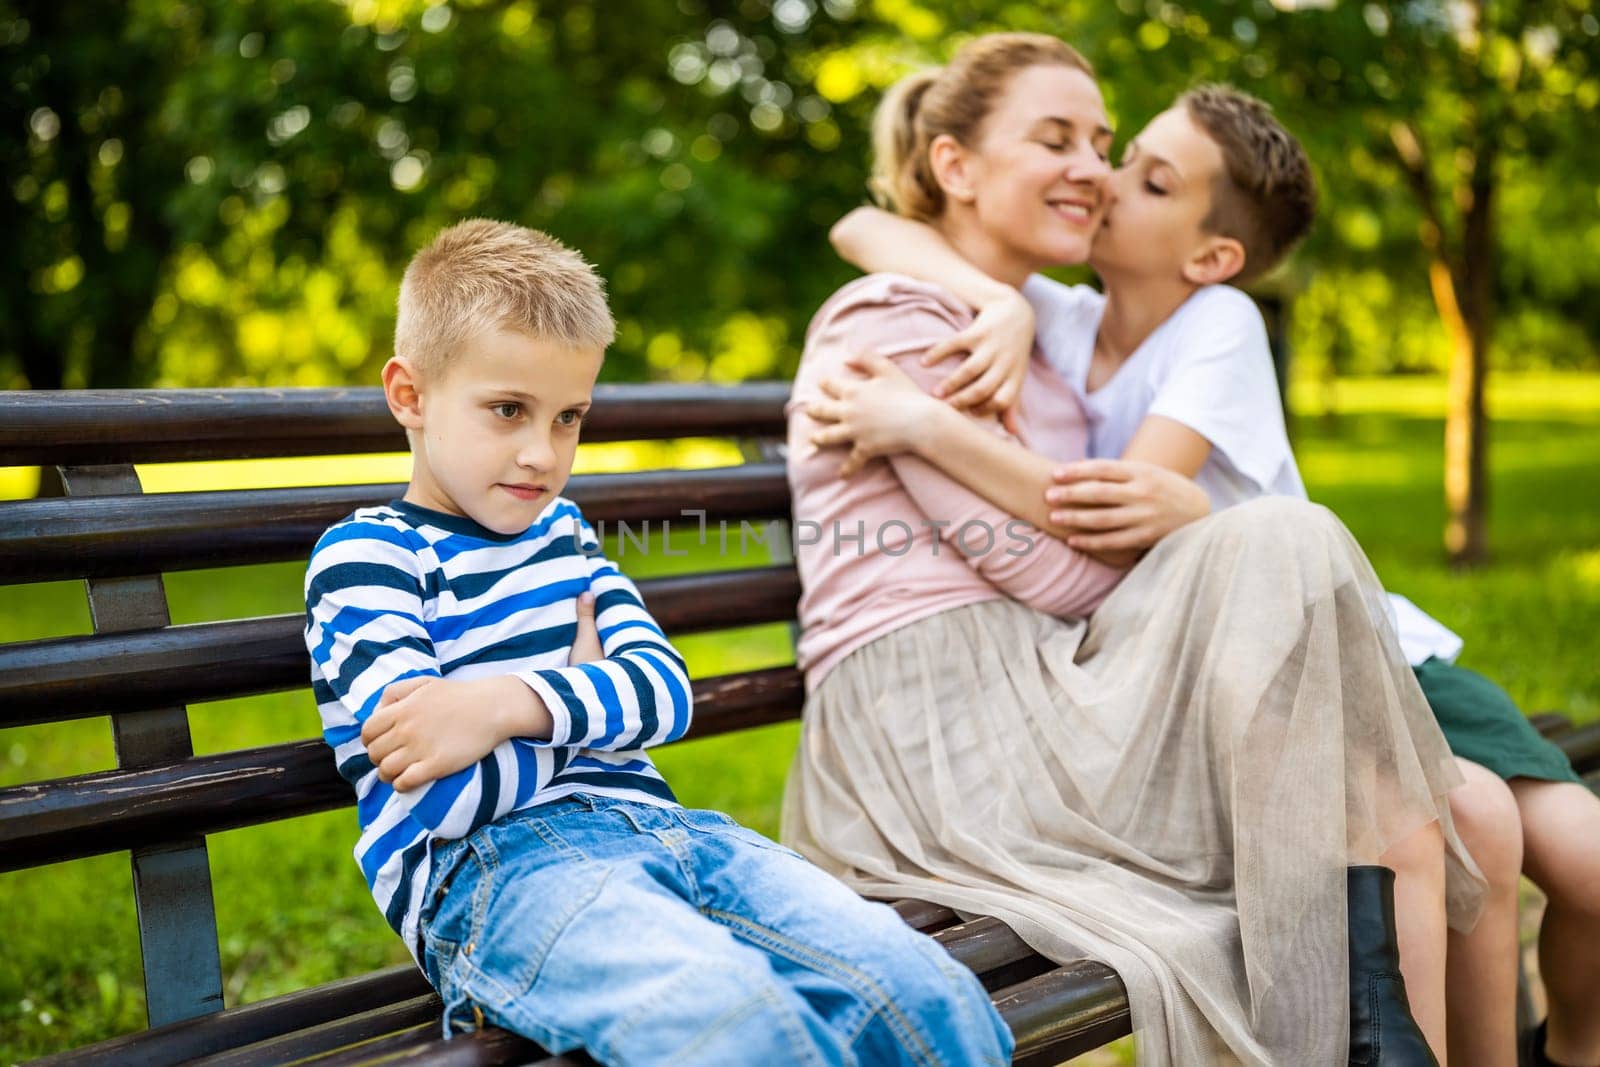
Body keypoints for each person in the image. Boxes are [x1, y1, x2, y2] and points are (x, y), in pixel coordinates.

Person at [816, 81, 1600, 1067]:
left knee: (1561, 848)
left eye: (1144, 177)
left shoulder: (1217, 319)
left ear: (1211, 254)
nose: (1103, 179)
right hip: (1234, 677)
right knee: (1474, 816)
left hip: (1363, 652)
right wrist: (990, 305)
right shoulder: (1059, 319)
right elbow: (861, 224)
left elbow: (1115, 508)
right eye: (1117, 155)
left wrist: (927, 424)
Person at [301, 218, 1015, 1067]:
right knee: (743, 1031)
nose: (542, 452)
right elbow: (455, 798)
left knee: (925, 994)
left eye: (569, 417)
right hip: (501, 876)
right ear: (410, 395)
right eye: (507, 410)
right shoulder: (367, 559)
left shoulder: (561, 533)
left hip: (674, 830)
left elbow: (665, 694)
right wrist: (587, 686)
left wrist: (503, 702)